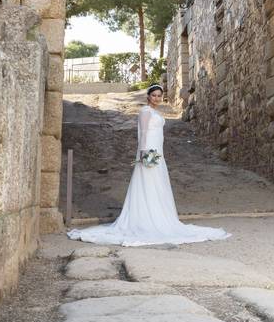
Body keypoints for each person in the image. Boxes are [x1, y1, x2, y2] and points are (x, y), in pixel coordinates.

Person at [67, 84, 230, 246]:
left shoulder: (155, 112)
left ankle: (159, 215)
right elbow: (144, 132)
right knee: (148, 182)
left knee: (157, 184)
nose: (157, 98)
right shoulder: (145, 111)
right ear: (148, 97)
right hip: (149, 152)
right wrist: (145, 154)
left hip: (157, 151)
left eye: (159, 95)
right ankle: (146, 218)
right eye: (154, 95)